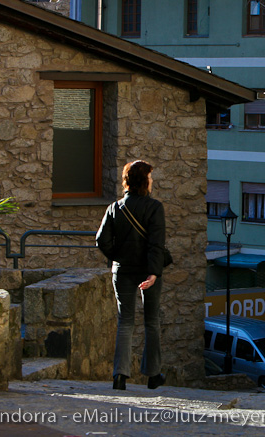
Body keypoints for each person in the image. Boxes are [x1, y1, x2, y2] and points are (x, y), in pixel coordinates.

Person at [96, 160, 166, 391]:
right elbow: (156, 245)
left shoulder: (115, 208)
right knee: (151, 321)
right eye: (151, 177)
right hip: (147, 270)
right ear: (145, 181)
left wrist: (120, 256)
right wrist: (154, 272)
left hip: (123, 269)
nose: (153, 181)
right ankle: (153, 374)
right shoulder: (155, 208)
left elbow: (101, 240)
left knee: (125, 321)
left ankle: (119, 376)